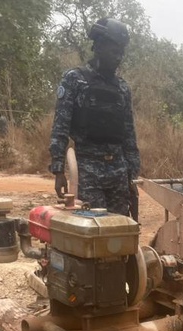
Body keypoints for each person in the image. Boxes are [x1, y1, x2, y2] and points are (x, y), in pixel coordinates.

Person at [49, 17, 140, 218]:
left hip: (118, 169)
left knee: (121, 230)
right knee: (91, 229)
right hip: (87, 170)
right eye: (114, 51)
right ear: (98, 47)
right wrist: (58, 170)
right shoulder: (75, 79)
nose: (118, 57)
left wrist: (132, 175)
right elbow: (60, 127)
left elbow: (128, 134)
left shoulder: (122, 88)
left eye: (121, 53)